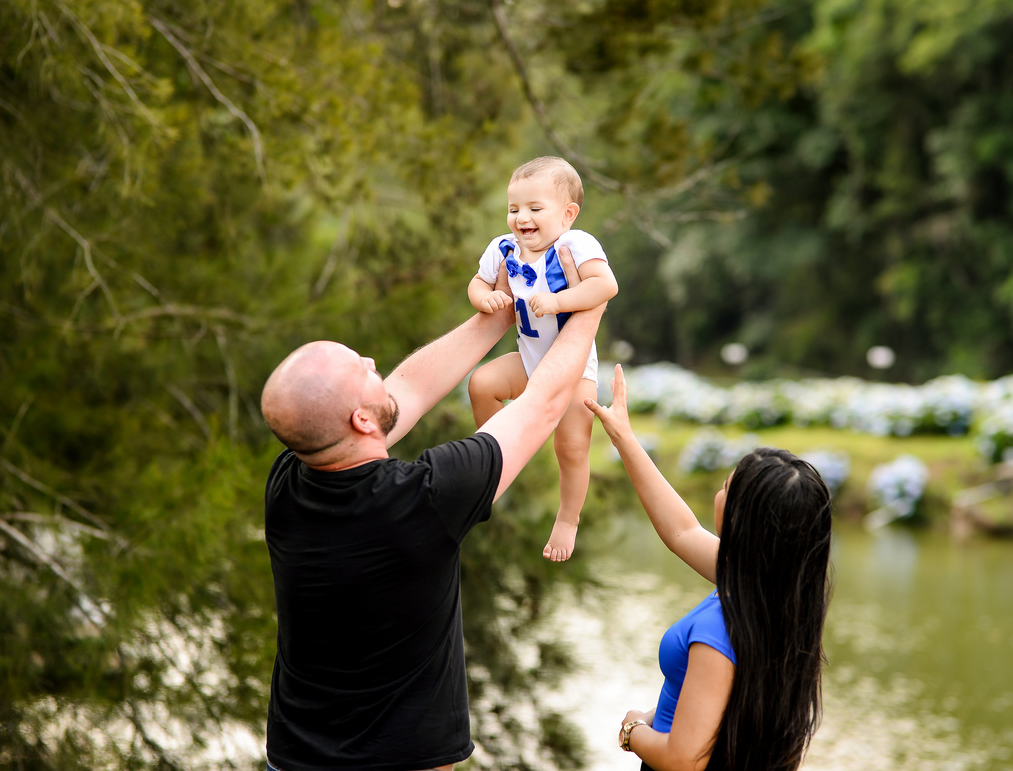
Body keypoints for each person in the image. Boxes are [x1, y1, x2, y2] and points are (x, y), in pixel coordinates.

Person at [259, 297, 605, 771]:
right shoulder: (423, 499)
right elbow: (541, 406)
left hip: (294, 757)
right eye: (362, 370)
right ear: (361, 420)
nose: (372, 362)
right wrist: (589, 301)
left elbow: (408, 389)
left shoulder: (288, 482)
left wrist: (504, 314)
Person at [585, 365, 833, 771]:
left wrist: (633, 729)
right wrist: (623, 437)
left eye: (726, 488)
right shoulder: (773, 594)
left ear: (743, 521)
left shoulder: (723, 626)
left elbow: (685, 758)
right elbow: (681, 530)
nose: (719, 494)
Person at [467, 156, 618, 562]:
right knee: (481, 384)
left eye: (536, 209)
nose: (522, 218)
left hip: (573, 369)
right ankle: (497, 461)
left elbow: (606, 285)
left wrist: (558, 301)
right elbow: (477, 283)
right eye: (515, 208)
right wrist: (487, 298)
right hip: (528, 359)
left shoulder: (575, 244)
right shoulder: (503, 248)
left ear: (568, 214)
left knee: (571, 448)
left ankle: (568, 518)